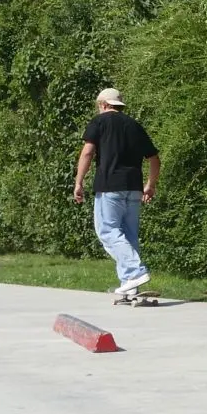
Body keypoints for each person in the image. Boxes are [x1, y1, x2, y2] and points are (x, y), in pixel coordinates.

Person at [74, 88, 159, 295]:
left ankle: (136, 271)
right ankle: (130, 284)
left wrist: (78, 182)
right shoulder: (134, 125)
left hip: (110, 186)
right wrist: (151, 185)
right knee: (128, 235)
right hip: (134, 187)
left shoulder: (99, 122)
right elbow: (154, 159)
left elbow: (87, 152)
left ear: (103, 104)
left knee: (108, 231)